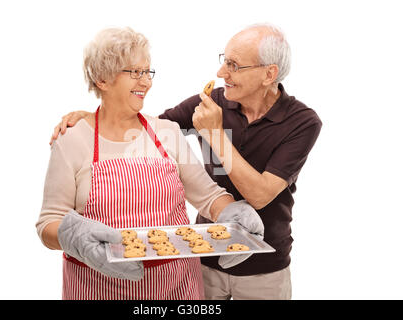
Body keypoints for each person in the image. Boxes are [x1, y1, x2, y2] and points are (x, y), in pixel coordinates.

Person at [50, 23, 322, 300]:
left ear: (269, 73)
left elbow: (254, 195)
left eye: (234, 65)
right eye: (135, 72)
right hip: (201, 261)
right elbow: (146, 125)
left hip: (262, 265)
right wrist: (92, 117)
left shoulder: (302, 122)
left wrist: (214, 135)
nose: (220, 73)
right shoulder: (211, 103)